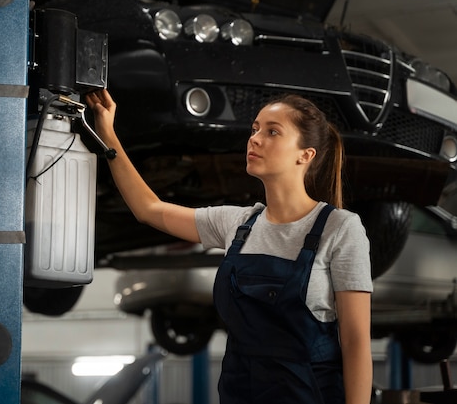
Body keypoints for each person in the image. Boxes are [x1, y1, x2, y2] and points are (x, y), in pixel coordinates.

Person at [85, 89, 373, 404]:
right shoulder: (237, 224)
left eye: (272, 131)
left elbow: (356, 342)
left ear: (305, 155)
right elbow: (149, 209)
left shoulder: (341, 229)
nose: (255, 138)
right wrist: (107, 133)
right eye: (255, 129)